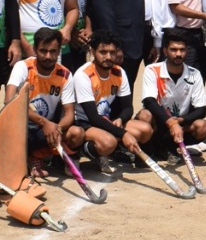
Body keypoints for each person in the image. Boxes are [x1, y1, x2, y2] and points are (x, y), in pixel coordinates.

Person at [64, 31, 150, 170]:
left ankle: (112, 151)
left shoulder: (119, 72)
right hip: (84, 122)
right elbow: (92, 117)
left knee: (145, 130)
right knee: (108, 142)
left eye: (112, 52)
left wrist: (121, 119)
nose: (108, 57)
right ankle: (78, 153)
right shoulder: (83, 75)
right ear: (92, 51)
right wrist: (124, 134)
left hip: (105, 119)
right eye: (103, 52)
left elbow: (128, 108)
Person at [4, 27, 74, 176]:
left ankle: (37, 156)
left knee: (77, 134)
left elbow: (69, 113)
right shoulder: (23, 67)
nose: (48, 56)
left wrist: (57, 129)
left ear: (59, 51)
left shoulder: (65, 74)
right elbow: (9, 101)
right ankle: (25, 159)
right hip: (20, 127)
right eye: (43, 51)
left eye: (53, 51)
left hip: (44, 129)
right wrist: (44, 123)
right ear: (35, 49)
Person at [135, 30, 206, 158]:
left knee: (202, 126)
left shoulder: (194, 74)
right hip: (158, 123)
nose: (178, 54)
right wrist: (170, 122)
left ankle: (171, 148)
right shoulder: (152, 70)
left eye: (182, 50)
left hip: (179, 124)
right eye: (173, 50)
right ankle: (149, 149)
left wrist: (180, 121)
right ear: (165, 51)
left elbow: (201, 110)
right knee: (144, 115)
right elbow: (149, 101)